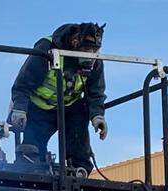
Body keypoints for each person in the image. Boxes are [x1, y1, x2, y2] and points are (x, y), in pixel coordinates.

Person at [8, 23, 107, 172]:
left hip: (69, 109)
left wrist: (98, 116)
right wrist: (20, 109)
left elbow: (95, 92)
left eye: (94, 50)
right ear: (74, 42)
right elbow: (23, 84)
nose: (91, 54)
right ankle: (32, 167)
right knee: (31, 154)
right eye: (86, 49)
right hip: (38, 109)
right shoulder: (46, 49)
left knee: (81, 111)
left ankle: (79, 169)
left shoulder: (94, 62)